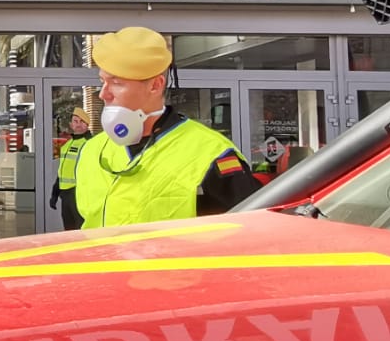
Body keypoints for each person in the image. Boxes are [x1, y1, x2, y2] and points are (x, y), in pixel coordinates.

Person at [73, 27, 262, 228]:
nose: (103, 94)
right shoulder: (92, 151)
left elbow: (248, 233)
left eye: (117, 83)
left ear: (155, 85)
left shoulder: (211, 153)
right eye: (102, 81)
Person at [51, 109, 92, 231]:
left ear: (87, 124)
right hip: (66, 195)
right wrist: (55, 193)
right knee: (69, 229)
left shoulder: (90, 143)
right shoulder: (67, 145)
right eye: (75, 121)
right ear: (71, 124)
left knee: (81, 229)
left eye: (82, 121)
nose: (78, 124)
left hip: (80, 193)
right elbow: (62, 171)